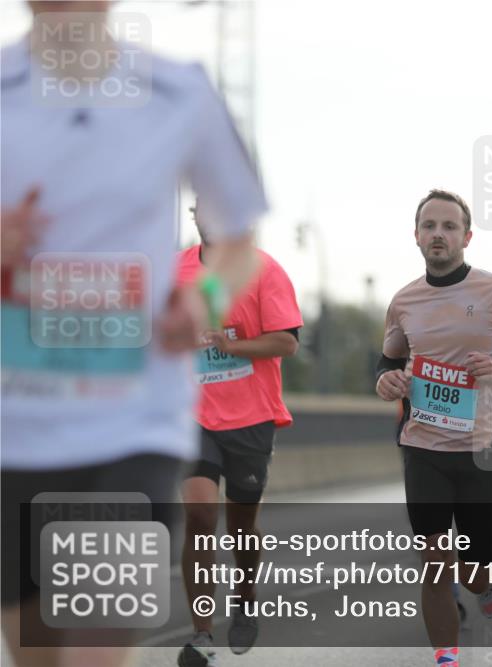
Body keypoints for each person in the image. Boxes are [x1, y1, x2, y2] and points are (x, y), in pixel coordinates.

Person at [1, 5, 264, 666]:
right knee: (38, 652)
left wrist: (203, 298)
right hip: (16, 421)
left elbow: (239, 242)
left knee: (95, 647)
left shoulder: (179, 92)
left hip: (133, 418)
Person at [376, 190, 492, 667]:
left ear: (466, 237)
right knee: (435, 563)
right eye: (429, 225)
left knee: (473, 573)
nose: (438, 234)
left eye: (449, 226)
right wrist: (386, 380)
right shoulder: (404, 300)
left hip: (480, 450)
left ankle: (486, 583)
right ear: (416, 236)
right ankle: (447, 659)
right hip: (424, 446)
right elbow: (389, 358)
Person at [175, 203, 302, 667]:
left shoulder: (264, 270)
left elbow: (286, 341)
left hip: (251, 418)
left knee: (241, 527)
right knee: (200, 516)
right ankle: (202, 632)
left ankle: (245, 598)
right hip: (192, 414)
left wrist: (231, 345)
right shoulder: (176, 270)